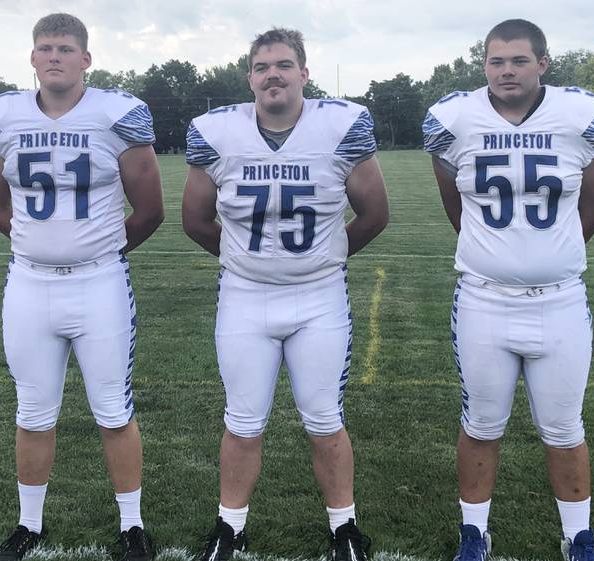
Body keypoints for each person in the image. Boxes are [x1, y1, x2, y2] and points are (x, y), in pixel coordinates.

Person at [182, 27, 389, 561]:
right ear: (249, 77)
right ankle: (230, 526)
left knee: (324, 419)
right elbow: (195, 220)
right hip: (245, 297)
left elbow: (374, 214)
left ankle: (344, 526)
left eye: (282, 65)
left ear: (304, 73)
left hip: (318, 297)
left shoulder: (340, 126)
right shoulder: (218, 131)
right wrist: (248, 263)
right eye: (261, 67)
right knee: (242, 420)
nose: (272, 74)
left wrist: (324, 258)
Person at [0, 13, 163, 561]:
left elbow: (149, 210)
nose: (53, 56)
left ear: (86, 59)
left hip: (99, 284)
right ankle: (28, 524)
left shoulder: (116, 114)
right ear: (32, 58)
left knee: (114, 410)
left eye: (64, 48)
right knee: (33, 412)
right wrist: (41, 245)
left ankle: (132, 525)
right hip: (29, 285)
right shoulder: (1, 116)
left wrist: (96, 250)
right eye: (44, 48)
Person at [422, 19, 594, 561]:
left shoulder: (579, 115)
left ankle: (578, 536)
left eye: (519, 60)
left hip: (560, 299)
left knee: (565, 428)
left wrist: (549, 255)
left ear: (542, 63)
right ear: (484, 65)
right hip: (484, 300)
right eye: (496, 61)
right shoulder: (454, 120)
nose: (507, 71)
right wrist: (501, 257)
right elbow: (456, 207)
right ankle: (474, 532)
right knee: (481, 424)